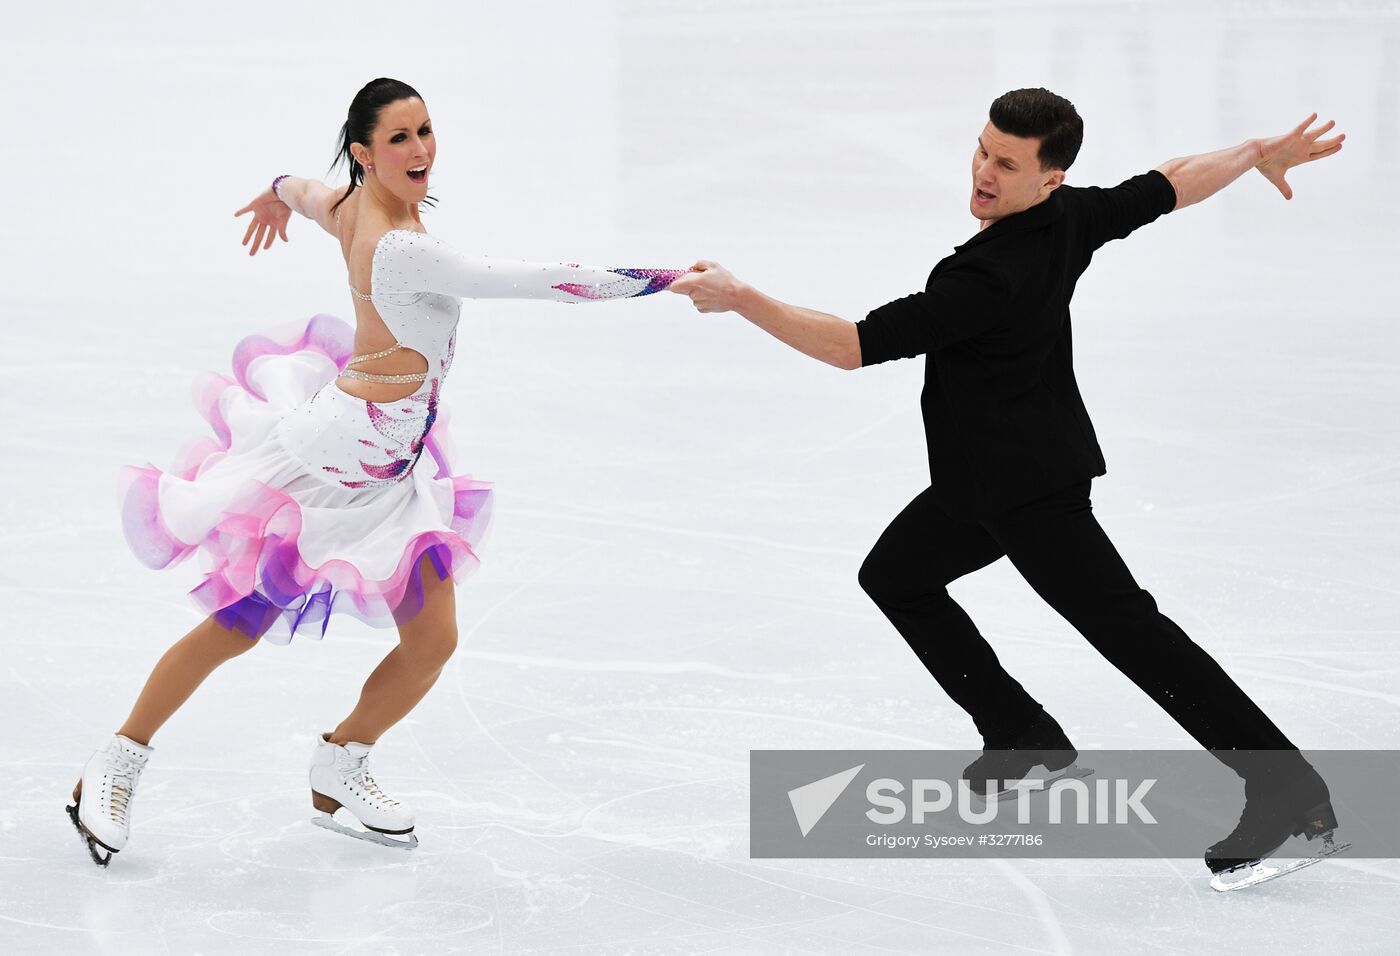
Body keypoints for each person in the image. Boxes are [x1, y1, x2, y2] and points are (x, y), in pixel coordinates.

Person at [668, 87, 1346, 882]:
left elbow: (854, 345)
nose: (984, 172)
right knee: (896, 577)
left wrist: (742, 299)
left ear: (1048, 179)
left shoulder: (987, 278)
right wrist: (1254, 152)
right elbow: (1170, 182)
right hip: (978, 480)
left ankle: (1289, 792)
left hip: (1029, 490)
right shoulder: (1072, 215)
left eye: (1007, 164)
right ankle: (1022, 735)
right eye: (983, 150)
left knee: (1133, 635)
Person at [67, 77, 683, 866]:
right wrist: (671, 282)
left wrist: (275, 191)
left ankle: (342, 760)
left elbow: (303, 191)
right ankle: (115, 761)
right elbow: (533, 279)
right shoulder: (402, 247)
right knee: (239, 624)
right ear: (365, 153)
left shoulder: (351, 207)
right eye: (399, 138)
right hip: (327, 471)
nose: (421, 149)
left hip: (393, 471)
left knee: (432, 641)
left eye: (425, 130)